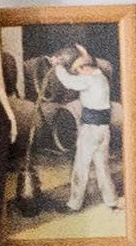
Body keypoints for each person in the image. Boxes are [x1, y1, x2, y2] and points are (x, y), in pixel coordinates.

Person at [48, 45, 117, 212]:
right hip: (103, 129)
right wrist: (85, 54)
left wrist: (57, 65)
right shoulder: (101, 78)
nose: (77, 73)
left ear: (85, 68)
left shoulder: (89, 80)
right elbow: (84, 65)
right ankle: (111, 201)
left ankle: (74, 204)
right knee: (102, 166)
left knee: (81, 166)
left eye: (78, 70)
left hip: (91, 130)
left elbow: (68, 82)